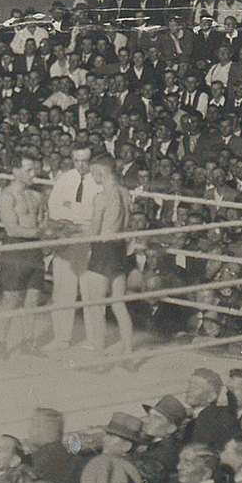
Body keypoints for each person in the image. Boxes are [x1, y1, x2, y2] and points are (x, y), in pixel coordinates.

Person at [42, 139, 98, 359]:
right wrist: (76, 217)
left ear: (92, 159)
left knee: (90, 292)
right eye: (77, 160)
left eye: (85, 160)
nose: (81, 165)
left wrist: (71, 211)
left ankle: (94, 340)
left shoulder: (98, 181)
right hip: (66, 239)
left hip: (88, 242)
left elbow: (94, 215)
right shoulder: (65, 179)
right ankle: (61, 338)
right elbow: (54, 210)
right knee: (63, 291)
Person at [80, 153, 136, 360]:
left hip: (103, 251)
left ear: (100, 172)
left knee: (96, 307)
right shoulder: (125, 193)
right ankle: (129, 352)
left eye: (93, 173)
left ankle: (99, 356)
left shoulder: (101, 198)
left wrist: (75, 231)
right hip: (119, 250)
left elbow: (94, 233)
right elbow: (126, 224)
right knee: (119, 305)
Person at [0, 152, 49, 359]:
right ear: (16, 171)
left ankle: (28, 341)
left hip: (34, 250)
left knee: (34, 298)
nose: (33, 174)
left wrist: (45, 228)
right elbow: (12, 230)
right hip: (16, 250)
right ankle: (2, 343)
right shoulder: (7, 196)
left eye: (35, 169)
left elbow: (43, 219)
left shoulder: (36, 196)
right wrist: (42, 233)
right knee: (11, 298)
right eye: (28, 170)